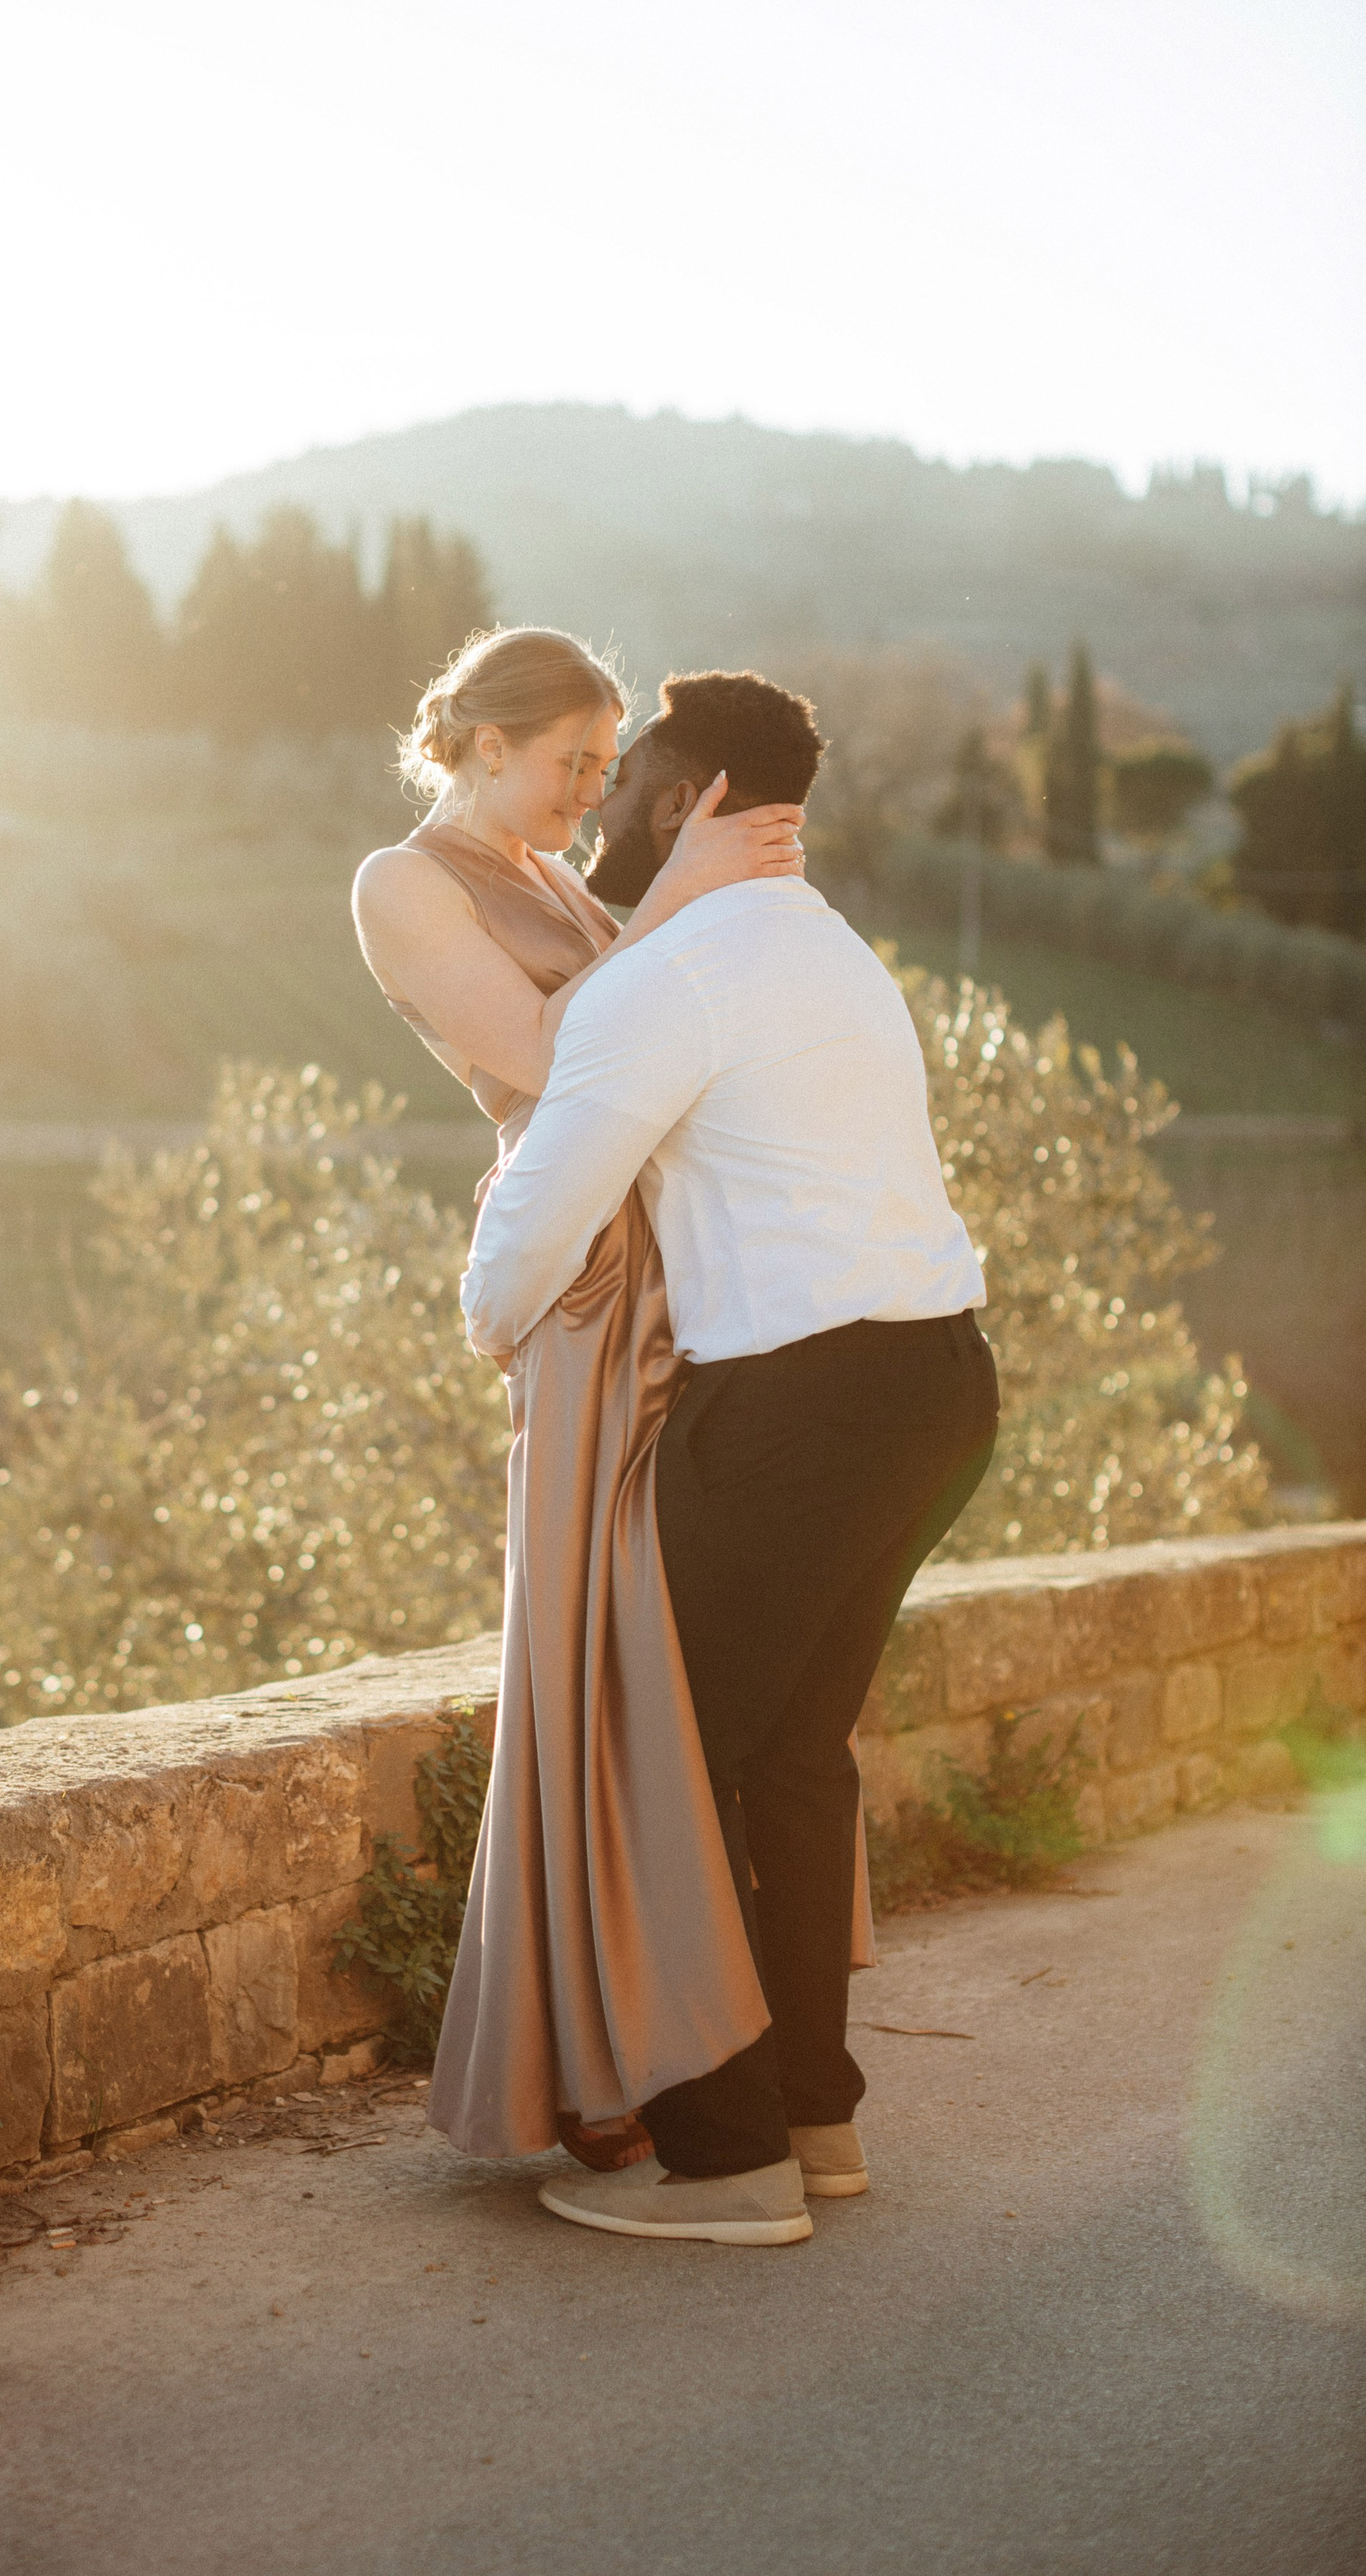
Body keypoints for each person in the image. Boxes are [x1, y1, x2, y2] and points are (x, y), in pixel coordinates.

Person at [461, 668, 999, 2248]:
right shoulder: (831, 955)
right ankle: (814, 2120)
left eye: (631, 771)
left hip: (798, 1410)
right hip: (936, 1388)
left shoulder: (668, 977)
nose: (609, 796)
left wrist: (487, 1315)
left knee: (657, 1761)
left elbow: (535, 1227)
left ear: (690, 799)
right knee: (786, 1755)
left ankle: (726, 2162)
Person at [354, 626, 841, 2182]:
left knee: (683, 1672)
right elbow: (556, 1056)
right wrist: (686, 897)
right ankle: (598, 2057)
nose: (589, 793)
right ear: (482, 744)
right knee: (596, 1650)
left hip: (684, 1273)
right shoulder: (402, 883)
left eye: (599, 763)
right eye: (570, 759)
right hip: (579, 1287)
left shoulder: (565, 888)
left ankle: (693, 2041)